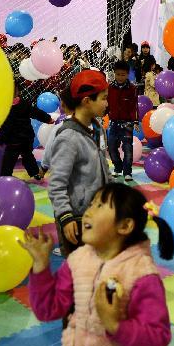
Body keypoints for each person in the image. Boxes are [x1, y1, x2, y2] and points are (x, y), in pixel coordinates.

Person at [22, 183, 173, 346]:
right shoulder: (78, 260)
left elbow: (158, 335)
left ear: (125, 226)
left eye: (100, 206)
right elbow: (48, 310)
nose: (87, 212)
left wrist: (115, 325)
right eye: (91, 204)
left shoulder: (142, 274)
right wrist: (41, 267)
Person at [45, 71, 112, 256]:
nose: (107, 103)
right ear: (87, 101)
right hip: (76, 220)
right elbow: (56, 184)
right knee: (78, 274)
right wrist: (66, 217)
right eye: (104, 98)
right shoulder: (68, 138)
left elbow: (104, 168)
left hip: (95, 215)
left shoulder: (96, 129)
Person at [0, 83, 54, 180]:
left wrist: (1, 140)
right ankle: (35, 173)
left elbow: (6, 127)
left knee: (9, 160)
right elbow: (36, 112)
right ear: (18, 92)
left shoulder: (6, 109)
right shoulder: (24, 103)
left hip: (14, 141)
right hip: (27, 138)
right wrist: (48, 119)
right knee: (28, 156)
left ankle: (5, 177)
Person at [108, 61, 138, 183]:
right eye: (118, 74)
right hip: (113, 123)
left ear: (127, 74)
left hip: (127, 124)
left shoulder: (132, 88)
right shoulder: (109, 88)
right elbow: (106, 104)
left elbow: (134, 106)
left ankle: (127, 172)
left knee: (127, 149)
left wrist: (135, 121)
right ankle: (117, 167)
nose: (120, 77)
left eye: (123, 75)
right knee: (111, 148)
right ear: (114, 74)